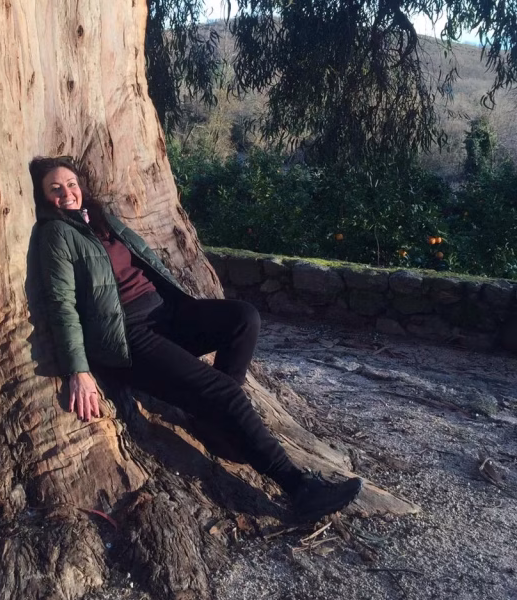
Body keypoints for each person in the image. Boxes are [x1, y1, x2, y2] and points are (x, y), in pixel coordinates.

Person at [30, 155, 362, 523]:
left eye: (71, 184)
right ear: (44, 198)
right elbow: (61, 303)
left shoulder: (101, 219)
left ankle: (215, 426)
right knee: (225, 392)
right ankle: (300, 489)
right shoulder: (56, 234)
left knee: (243, 319)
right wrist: (78, 369)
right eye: (55, 189)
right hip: (129, 337)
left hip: (165, 315)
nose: (67, 193)